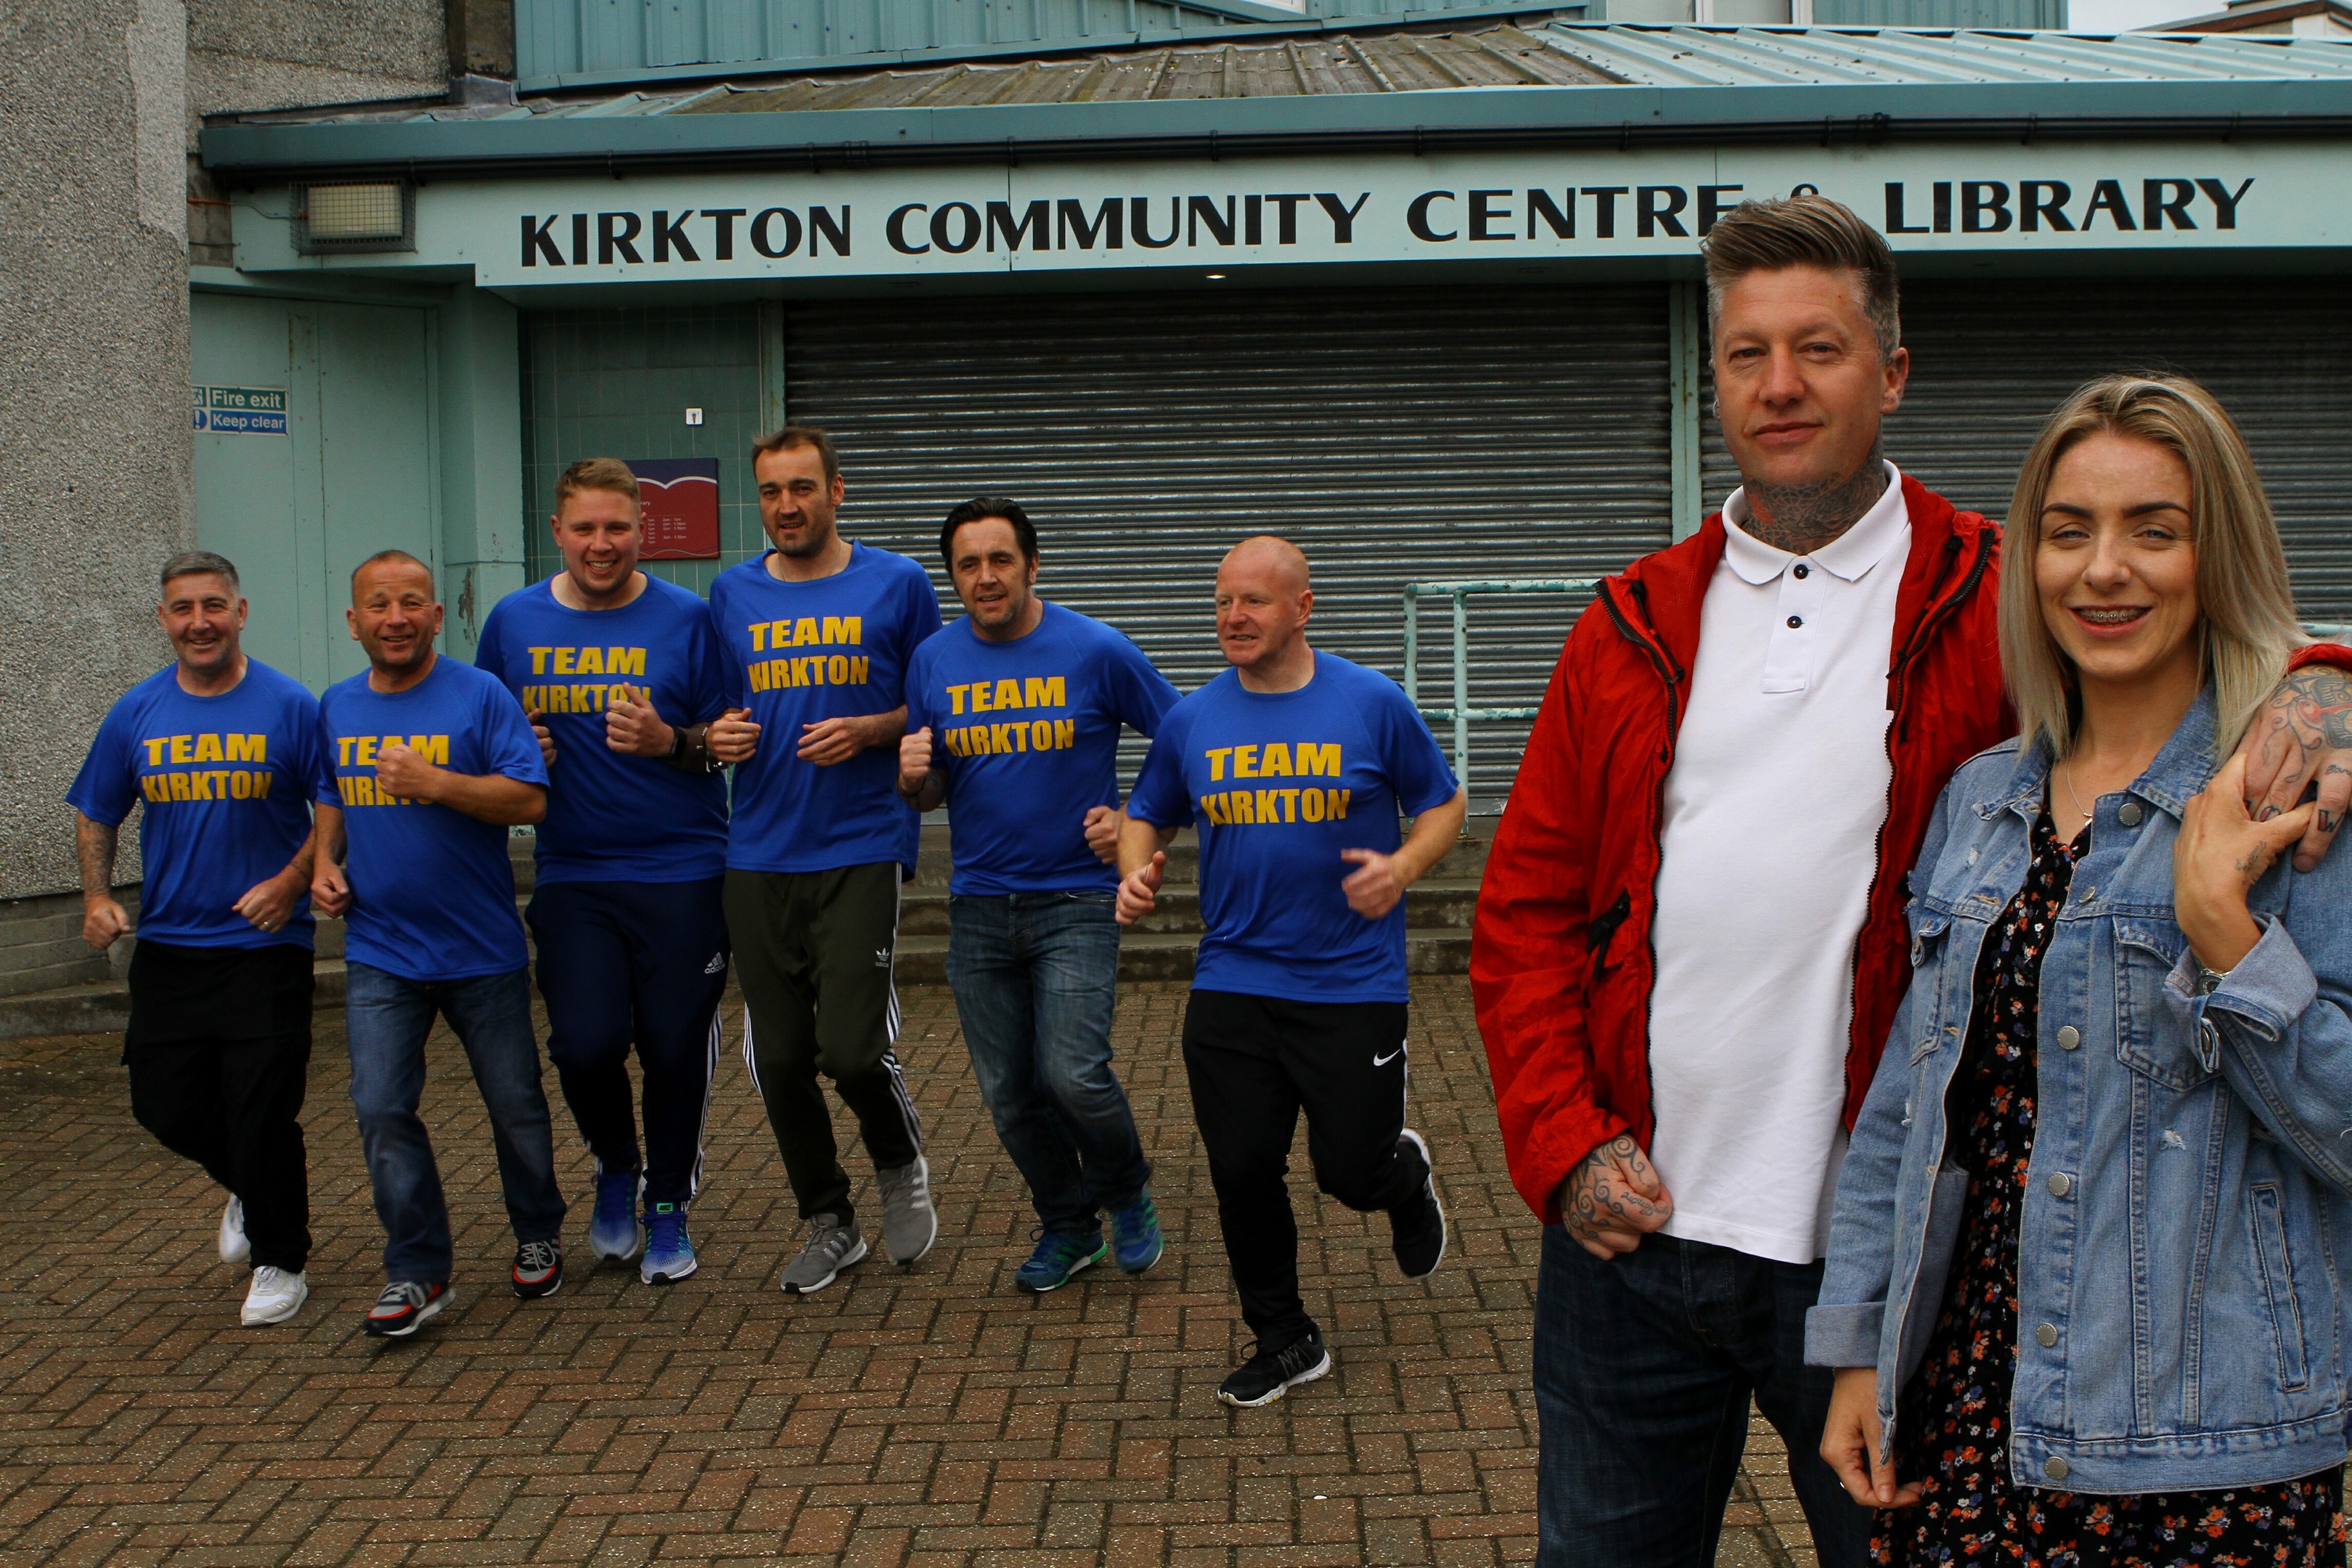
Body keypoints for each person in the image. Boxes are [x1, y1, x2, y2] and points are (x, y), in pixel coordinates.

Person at [1468, 194, 2352, 1567]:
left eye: (1818, 348)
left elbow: (2194, 649)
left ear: (1891, 373)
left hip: (1880, 1268)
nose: (1780, 386)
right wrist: (1558, 1143)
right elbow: (1522, 909)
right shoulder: (1629, 622)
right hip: (1634, 1244)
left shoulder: (2001, 597)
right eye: (1747, 353)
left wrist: (2328, 687)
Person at [1813, 373, 2352, 1564]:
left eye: (2155, 530)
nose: (2104, 569)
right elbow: (1908, 1114)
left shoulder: (2300, 797)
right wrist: (1859, 1345)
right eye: (2069, 532)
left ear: (2222, 556)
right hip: (1968, 1420)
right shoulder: (1983, 798)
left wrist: (2229, 936)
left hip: (2206, 1451)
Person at [1116, 535, 1463, 1408]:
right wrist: (1134, 868)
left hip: (1351, 987)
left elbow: (1444, 802)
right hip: (1233, 982)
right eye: (1223, 600)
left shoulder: (1371, 703)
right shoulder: (1193, 720)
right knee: (1241, 1172)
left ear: (1301, 609)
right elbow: (1147, 812)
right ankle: (1285, 1336)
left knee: (1347, 1171)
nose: (1233, 617)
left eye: (1254, 602)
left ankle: (1402, 1175)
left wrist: (1404, 868)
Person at [899, 498, 1182, 1292]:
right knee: (1010, 1095)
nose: (985, 578)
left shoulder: (1095, 649)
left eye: (1000, 560)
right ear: (952, 576)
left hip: (1077, 901)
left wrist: (1133, 822)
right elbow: (930, 791)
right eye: (968, 564)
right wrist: (912, 779)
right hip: (980, 907)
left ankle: (1125, 1192)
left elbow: (1190, 737)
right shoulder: (932, 660)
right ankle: (1067, 1226)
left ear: (1032, 565)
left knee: (1074, 1074)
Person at [475, 458, 733, 1286]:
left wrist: (672, 743)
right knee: (584, 1045)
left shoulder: (690, 620)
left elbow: (731, 738)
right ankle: (616, 1167)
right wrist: (517, 747)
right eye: (584, 528)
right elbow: (482, 737)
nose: (601, 544)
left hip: (684, 870)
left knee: (671, 1046)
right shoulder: (512, 624)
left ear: (641, 532)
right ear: (556, 532)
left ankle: (667, 1204)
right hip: (573, 873)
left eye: (617, 528)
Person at [706, 426, 944, 1294]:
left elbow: (936, 699)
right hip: (758, 851)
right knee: (776, 1059)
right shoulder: (727, 595)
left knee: (847, 1049)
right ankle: (828, 1219)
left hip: (861, 842)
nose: (786, 506)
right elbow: (710, 716)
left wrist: (874, 729)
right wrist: (712, 736)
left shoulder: (898, 583)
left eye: (802, 488)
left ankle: (898, 1158)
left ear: (837, 492)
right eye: (771, 492)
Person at [312, 550, 566, 1338]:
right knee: (381, 1106)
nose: (395, 618)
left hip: (480, 950)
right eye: (379, 606)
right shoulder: (336, 705)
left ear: (435, 615)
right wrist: (324, 863)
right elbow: (331, 795)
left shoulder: (479, 696)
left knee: (515, 1107)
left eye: (411, 603)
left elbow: (530, 798)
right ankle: (418, 1268)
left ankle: (536, 1229)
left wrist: (437, 783)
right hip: (382, 949)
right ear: (354, 622)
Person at [68, 552, 324, 1328]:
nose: (200, 622)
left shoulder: (290, 705)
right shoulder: (137, 712)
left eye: (214, 606)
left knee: (261, 1108)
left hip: (266, 946)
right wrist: (97, 896)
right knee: (166, 1108)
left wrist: (292, 881)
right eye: (183, 609)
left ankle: (282, 1258)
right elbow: (96, 809)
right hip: (172, 947)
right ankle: (251, 1184)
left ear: (241, 613)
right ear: (164, 620)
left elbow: (337, 803)